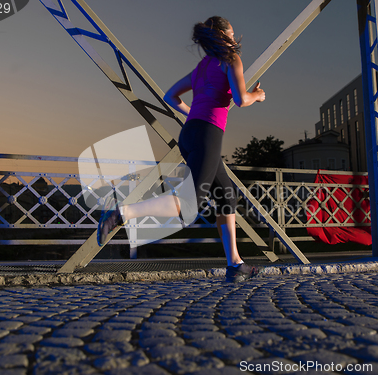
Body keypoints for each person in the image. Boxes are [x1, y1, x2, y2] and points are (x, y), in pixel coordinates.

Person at [98, 16, 266, 282]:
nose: (235, 38)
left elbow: (170, 96)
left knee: (227, 195)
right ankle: (121, 214)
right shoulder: (231, 59)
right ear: (222, 35)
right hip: (208, 135)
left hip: (190, 134)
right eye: (232, 33)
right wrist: (257, 96)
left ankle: (235, 263)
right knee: (191, 203)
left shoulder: (202, 66)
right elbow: (241, 99)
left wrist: (193, 115)